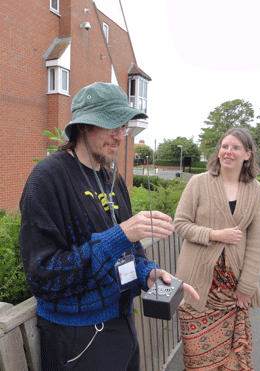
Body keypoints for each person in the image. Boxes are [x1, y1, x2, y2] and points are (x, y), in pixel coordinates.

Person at [19, 82, 199, 371]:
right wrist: (120, 235)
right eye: (111, 125)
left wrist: (147, 273)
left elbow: (130, 251)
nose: (120, 136)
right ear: (83, 126)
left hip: (121, 323)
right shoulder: (48, 178)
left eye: (123, 126)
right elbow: (43, 275)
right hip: (77, 338)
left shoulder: (112, 179)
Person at [174, 128, 260, 371]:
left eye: (236, 148)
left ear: (247, 155)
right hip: (197, 288)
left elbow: (257, 243)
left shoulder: (255, 190)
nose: (228, 152)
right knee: (197, 361)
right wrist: (214, 235)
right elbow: (180, 224)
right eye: (225, 146)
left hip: (232, 292)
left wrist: (246, 287)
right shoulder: (199, 183)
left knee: (231, 362)